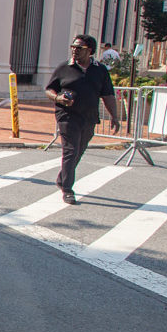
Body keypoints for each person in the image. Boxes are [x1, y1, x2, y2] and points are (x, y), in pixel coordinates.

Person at [46, 34, 119, 205]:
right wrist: (58, 99)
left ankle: (62, 178)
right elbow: (49, 89)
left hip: (89, 116)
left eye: (79, 48)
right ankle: (68, 189)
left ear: (90, 51)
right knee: (70, 150)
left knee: (79, 149)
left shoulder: (100, 70)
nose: (74, 50)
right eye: (73, 47)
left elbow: (108, 95)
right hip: (67, 115)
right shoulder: (64, 67)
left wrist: (115, 117)